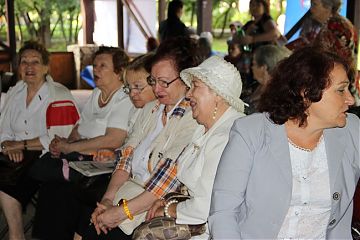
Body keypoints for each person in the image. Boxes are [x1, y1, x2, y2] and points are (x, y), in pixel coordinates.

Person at [209, 47, 359, 239]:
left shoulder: (351, 131)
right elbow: (223, 212)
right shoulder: (251, 133)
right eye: (341, 90)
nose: (351, 99)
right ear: (306, 93)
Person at [80, 37, 201, 239]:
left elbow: (167, 181)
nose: (157, 89)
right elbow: (126, 158)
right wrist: (109, 200)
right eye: (153, 81)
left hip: (154, 205)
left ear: (186, 80)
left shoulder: (192, 117)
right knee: (91, 217)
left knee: (100, 228)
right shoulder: (150, 109)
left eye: (164, 82)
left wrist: (120, 213)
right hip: (128, 194)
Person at [31, 46, 134, 240]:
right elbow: (80, 127)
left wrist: (69, 147)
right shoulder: (96, 94)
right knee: (51, 188)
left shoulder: (124, 98)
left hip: (104, 163)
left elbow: (113, 139)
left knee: (66, 191)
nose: (95, 70)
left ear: (119, 71)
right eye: (95, 65)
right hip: (81, 157)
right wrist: (64, 142)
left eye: (103, 66)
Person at [145, 56, 246, 239]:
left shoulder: (227, 137)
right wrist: (168, 200)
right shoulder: (203, 127)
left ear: (217, 94)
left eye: (195, 86)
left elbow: (206, 206)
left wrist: (169, 208)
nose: (188, 94)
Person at [0, 40, 79, 239]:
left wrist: (22, 145)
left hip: (46, 156)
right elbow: (4, 126)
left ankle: (16, 235)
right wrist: (9, 145)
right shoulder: (15, 92)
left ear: (46, 67)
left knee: (5, 178)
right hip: (16, 155)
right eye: (24, 62)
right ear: (18, 68)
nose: (29, 67)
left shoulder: (58, 94)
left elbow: (58, 138)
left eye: (35, 62)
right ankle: (16, 232)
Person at [245, 45, 291, 114]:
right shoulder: (256, 85)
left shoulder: (275, 96)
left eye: (254, 64)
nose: (252, 67)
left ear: (264, 68)